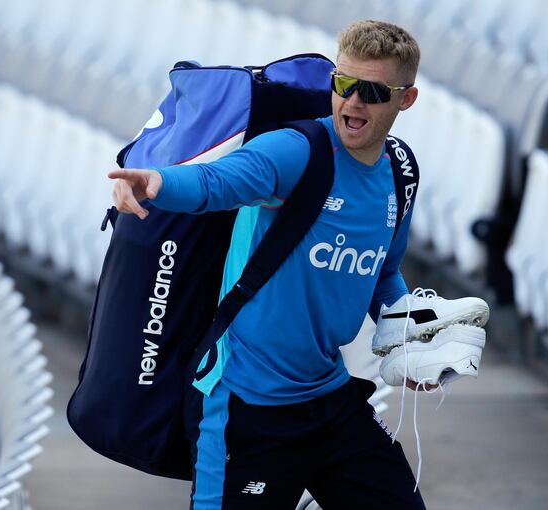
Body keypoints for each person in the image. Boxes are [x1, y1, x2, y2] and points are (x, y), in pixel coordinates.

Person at [108, 19, 475, 510]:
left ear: (405, 99)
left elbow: (383, 273)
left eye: (372, 90)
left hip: (328, 399)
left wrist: (406, 339)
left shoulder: (399, 172)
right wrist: (156, 182)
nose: (354, 102)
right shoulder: (297, 151)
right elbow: (219, 181)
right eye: (344, 85)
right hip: (243, 406)